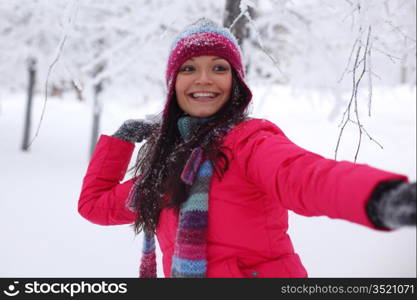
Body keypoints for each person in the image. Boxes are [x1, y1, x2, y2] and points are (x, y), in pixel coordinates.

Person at [78, 18, 416, 278]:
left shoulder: (249, 141)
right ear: (173, 85)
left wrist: (380, 197)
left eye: (219, 68)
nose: (204, 79)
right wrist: (120, 141)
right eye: (189, 68)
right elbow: (94, 205)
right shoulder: (166, 171)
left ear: (235, 82)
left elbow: (302, 176)